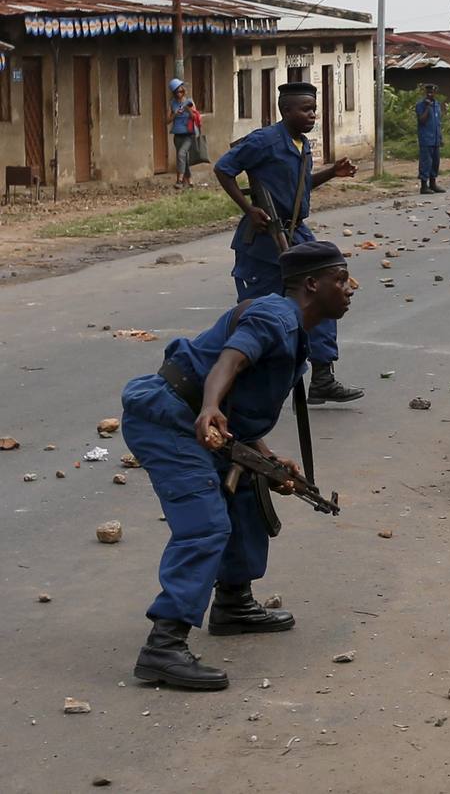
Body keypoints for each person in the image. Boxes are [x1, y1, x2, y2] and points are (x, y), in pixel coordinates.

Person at [121, 241, 354, 690]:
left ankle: (233, 604)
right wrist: (210, 408)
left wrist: (266, 457)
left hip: (200, 417)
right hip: (169, 419)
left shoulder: (294, 330)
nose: (349, 289)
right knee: (205, 525)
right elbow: (231, 359)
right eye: (340, 280)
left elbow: (240, 404)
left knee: (247, 495)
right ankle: (163, 647)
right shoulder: (275, 315)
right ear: (312, 284)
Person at [213, 81, 362, 405]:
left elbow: (299, 187)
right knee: (257, 313)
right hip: (263, 239)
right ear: (286, 110)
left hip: (295, 234)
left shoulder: (302, 145)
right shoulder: (264, 141)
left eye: (314, 109)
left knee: (322, 295)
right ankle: (231, 384)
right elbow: (223, 169)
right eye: (306, 109)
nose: (312, 115)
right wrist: (248, 209)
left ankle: (322, 378)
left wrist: (331, 173)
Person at [167, 79, 199, 187]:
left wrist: (188, 110)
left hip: (188, 134)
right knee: (183, 158)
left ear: (183, 90)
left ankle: (179, 180)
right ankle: (189, 180)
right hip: (177, 135)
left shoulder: (189, 101)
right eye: (176, 92)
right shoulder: (172, 103)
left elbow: (195, 117)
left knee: (181, 154)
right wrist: (175, 114)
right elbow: (166, 121)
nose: (179, 94)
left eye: (180, 91)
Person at [415, 84, 444, 194]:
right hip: (426, 138)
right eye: (428, 92)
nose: (430, 94)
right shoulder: (420, 105)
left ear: (435, 93)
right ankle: (424, 186)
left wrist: (440, 137)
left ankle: (433, 184)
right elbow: (421, 120)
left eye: (432, 92)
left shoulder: (437, 105)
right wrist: (427, 107)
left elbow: (438, 123)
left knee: (435, 162)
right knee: (426, 162)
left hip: (435, 139)